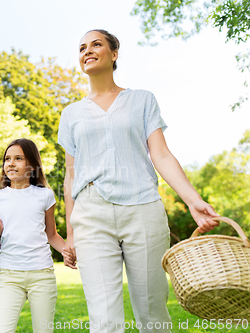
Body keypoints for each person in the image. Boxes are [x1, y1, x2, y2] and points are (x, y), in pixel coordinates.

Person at [58, 29, 220, 333]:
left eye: (96, 44)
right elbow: (71, 176)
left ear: (114, 54)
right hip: (91, 215)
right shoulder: (71, 114)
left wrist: (193, 201)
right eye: (82, 47)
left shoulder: (142, 100)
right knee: (104, 319)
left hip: (143, 210)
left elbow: (161, 155)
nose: (87, 50)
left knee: (152, 313)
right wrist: (70, 233)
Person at [0, 138, 69, 333]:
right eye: (7, 159)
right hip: (10, 276)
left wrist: (69, 251)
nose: (11, 163)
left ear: (32, 165)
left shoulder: (45, 196)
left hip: (42, 275)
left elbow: (52, 235)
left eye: (18, 158)